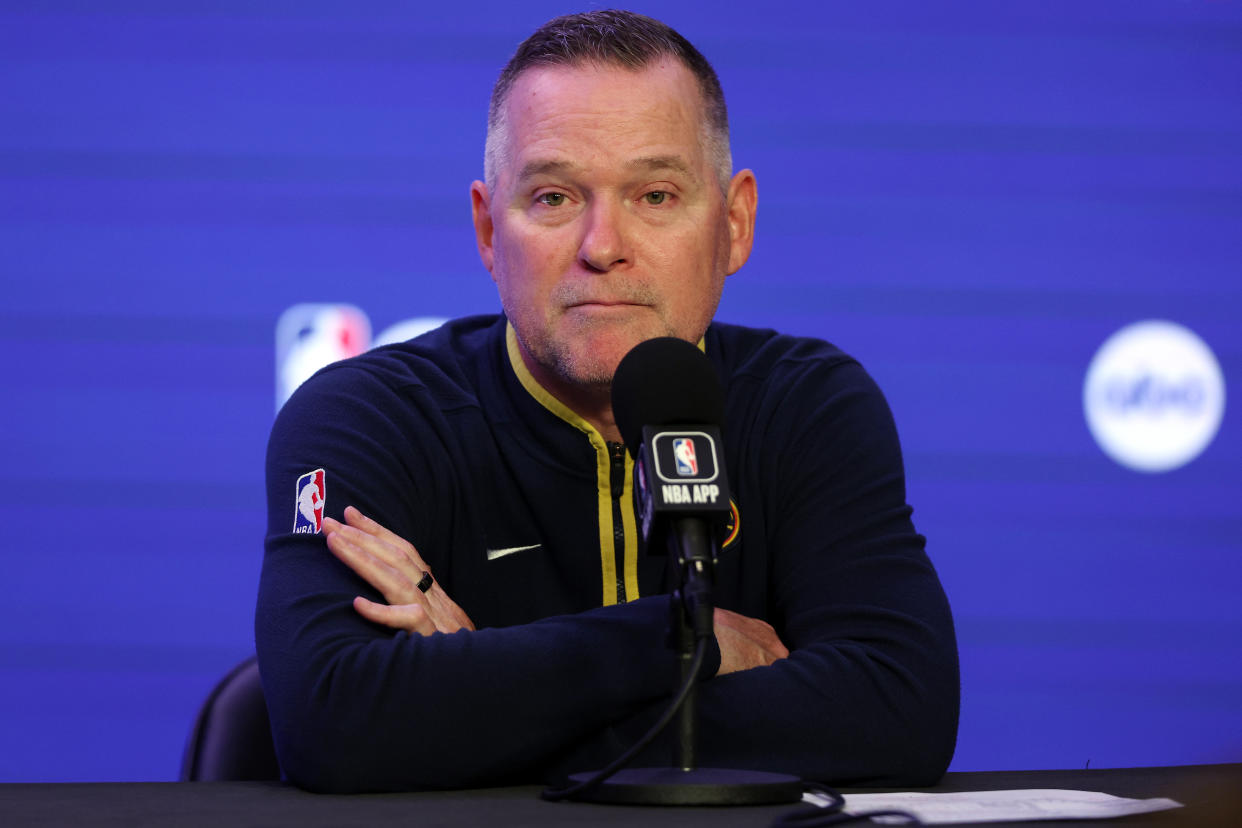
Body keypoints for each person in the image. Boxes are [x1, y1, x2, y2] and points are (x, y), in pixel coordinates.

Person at [256, 10, 958, 794]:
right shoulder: (370, 418)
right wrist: (676, 644)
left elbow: (898, 710)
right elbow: (333, 724)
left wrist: (478, 699)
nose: (602, 245)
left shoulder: (806, 405)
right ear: (490, 231)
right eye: (554, 197)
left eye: (655, 195)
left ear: (733, 224)